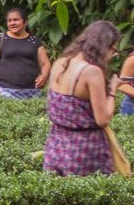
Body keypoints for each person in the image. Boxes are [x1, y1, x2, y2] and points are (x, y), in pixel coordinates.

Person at [44, 20, 120, 176]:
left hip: (56, 144)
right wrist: (112, 90)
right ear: (103, 46)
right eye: (113, 50)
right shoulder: (91, 71)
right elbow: (103, 119)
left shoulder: (60, 63)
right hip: (84, 150)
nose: (112, 55)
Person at [0, 8, 50, 98]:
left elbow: (45, 63)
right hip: (5, 90)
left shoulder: (35, 41)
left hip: (32, 92)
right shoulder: (1, 39)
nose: (12, 23)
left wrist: (44, 76)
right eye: (9, 21)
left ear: (25, 22)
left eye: (16, 20)